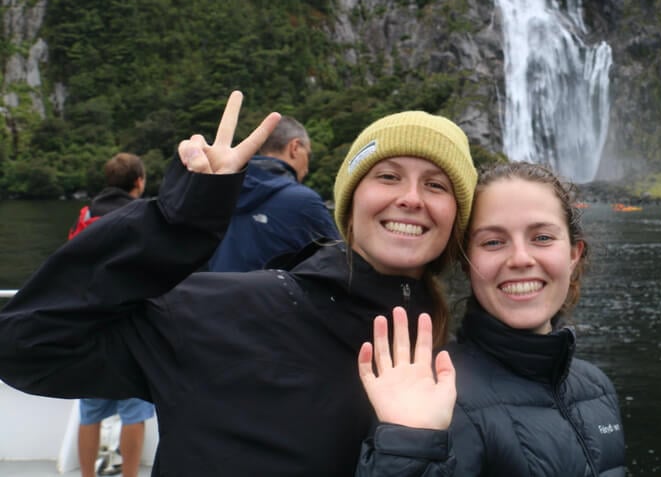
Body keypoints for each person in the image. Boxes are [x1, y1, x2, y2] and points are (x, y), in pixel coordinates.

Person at [0, 91, 477, 476]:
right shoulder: (225, 312)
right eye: (388, 176)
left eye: (436, 185)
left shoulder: (463, 354)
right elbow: (26, 346)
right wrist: (176, 222)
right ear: (350, 204)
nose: (411, 199)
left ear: (459, 219)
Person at [356, 161, 627, 476]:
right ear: (466, 263)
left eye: (542, 238)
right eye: (493, 242)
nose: (521, 259)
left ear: (573, 254)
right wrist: (409, 445)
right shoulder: (434, 397)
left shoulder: (597, 387)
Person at [72, 152, 155, 477]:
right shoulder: (142, 214)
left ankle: (88, 475)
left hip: (89, 323)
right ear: (138, 181)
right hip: (131, 323)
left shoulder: (87, 213)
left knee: (90, 410)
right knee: (134, 409)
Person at [206, 115, 340, 272]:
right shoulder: (302, 202)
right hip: (272, 296)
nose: (307, 168)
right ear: (295, 147)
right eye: (308, 155)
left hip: (213, 294)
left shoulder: (217, 192)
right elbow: (339, 265)